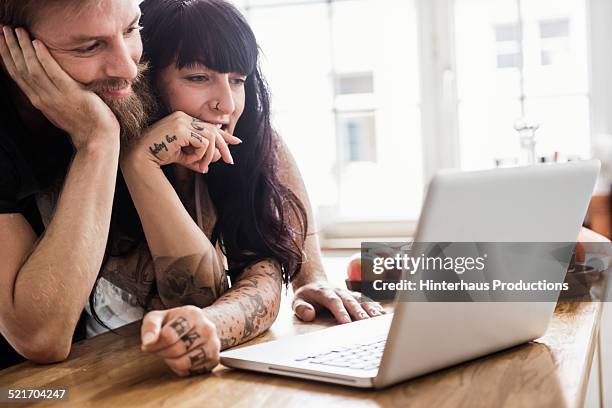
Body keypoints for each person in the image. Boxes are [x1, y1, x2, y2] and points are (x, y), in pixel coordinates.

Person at [0, 0, 384, 372]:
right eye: (198, 77)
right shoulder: (90, 132)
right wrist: (113, 146)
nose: (227, 104)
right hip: (45, 384)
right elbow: (41, 339)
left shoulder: (224, 135)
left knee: (430, 282)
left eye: (131, 29)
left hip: (134, 373)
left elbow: (255, 271)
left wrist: (310, 274)